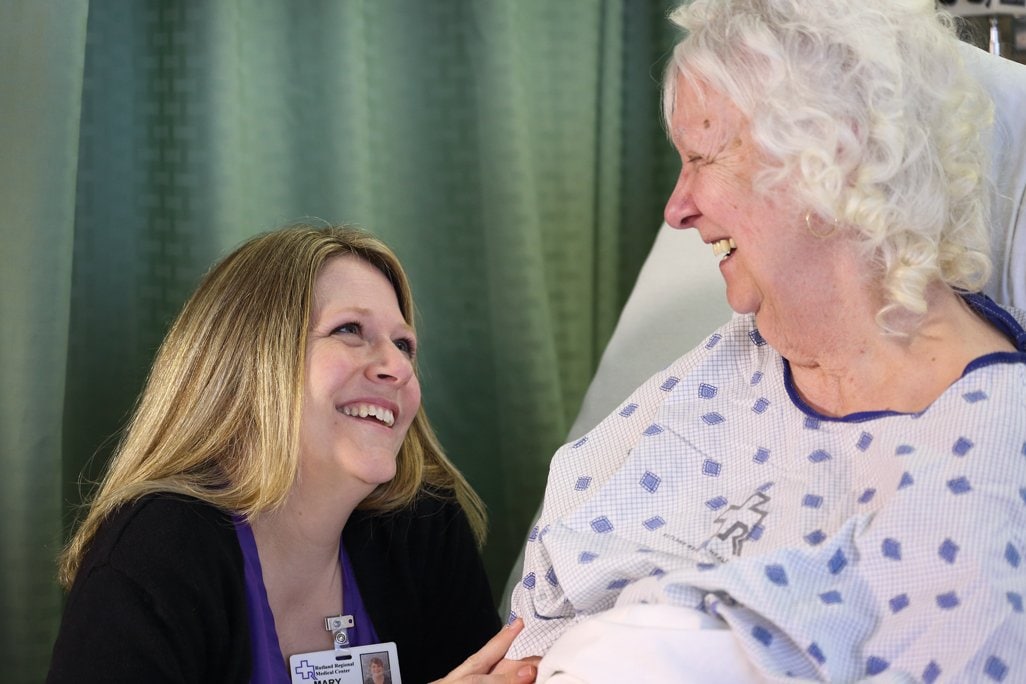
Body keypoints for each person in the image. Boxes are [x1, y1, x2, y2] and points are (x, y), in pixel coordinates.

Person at [507, 0, 1026, 681]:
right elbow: (536, 616)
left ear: (829, 158)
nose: (676, 207)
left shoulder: (992, 451)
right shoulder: (722, 371)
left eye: (703, 158)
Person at [48, 224, 537, 684]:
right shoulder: (154, 553)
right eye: (350, 330)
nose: (398, 367)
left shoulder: (423, 528)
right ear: (249, 362)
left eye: (404, 344)